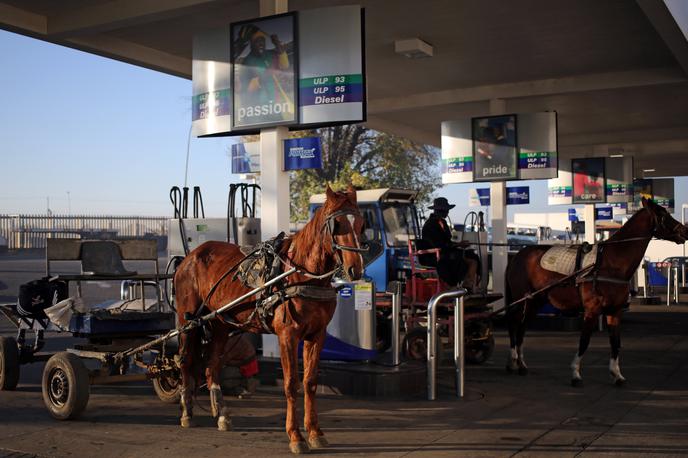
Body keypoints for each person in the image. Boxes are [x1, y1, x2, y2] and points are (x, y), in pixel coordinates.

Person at [421, 197, 480, 292]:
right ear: (439, 210)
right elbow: (437, 244)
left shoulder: (443, 222)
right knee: (460, 258)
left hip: (446, 251)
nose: (447, 212)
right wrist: (456, 245)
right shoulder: (430, 225)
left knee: (472, 256)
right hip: (435, 255)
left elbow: (447, 242)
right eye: (446, 210)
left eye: (447, 210)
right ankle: (453, 285)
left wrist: (459, 245)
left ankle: (468, 285)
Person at [235, 23, 292, 119]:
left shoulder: (270, 54)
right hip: (258, 109)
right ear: (251, 44)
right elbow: (244, 88)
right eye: (257, 41)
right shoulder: (247, 62)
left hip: (276, 105)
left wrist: (277, 43)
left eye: (263, 41)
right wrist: (264, 77)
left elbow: (285, 65)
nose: (261, 43)